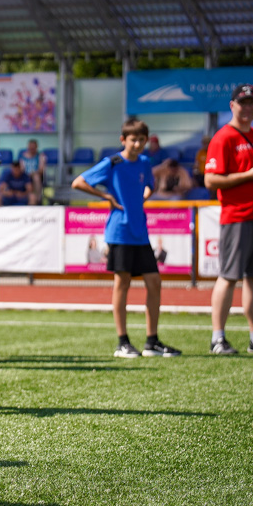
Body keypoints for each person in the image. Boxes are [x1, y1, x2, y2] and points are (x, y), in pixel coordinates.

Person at [71, 118, 182, 359]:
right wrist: (106, 197)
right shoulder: (113, 162)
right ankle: (123, 342)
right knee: (122, 284)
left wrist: (144, 195)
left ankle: (152, 342)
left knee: (154, 282)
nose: (138, 144)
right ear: (123, 140)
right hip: (119, 232)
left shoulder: (144, 161)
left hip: (140, 232)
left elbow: (150, 185)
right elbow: (78, 182)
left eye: (142, 139)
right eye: (134, 139)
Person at [204, 84, 253, 354]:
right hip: (237, 217)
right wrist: (250, 175)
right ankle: (218, 338)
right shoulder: (223, 137)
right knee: (228, 276)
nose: (248, 107)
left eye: (252, 102)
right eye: (243, 102)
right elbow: (211, 179)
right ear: (232, 105)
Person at [18, 138, 47, 204]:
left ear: (36, 147)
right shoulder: (23, 156)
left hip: (36, 176)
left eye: (33, 147)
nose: (32, 149)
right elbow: (21, 169)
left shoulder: (40, 156)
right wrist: (26, 174)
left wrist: (33, 173)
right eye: (30, 147)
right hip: (25, 176)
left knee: (36, 177)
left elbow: (41, 169)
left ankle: (38, 199)